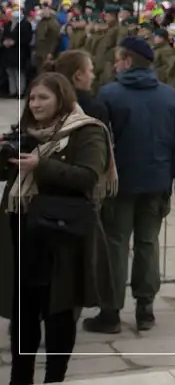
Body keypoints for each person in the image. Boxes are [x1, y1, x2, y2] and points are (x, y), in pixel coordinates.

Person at [0, 73, 115, 384]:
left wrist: (42, 165)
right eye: (32, 98)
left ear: (61, 99)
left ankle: (55, 377)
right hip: (24, 230)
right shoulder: (28, 131)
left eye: (43, 98)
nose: (35, 104)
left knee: (59, 310)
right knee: (24, 310)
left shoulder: (86, 131)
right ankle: (20, 377)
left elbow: (89, 177)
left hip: (63, 233)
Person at [85, 37, 175, 334]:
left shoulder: (110, 93)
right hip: (156, 181)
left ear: (127, 61)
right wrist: (171, 178)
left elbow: (100, 142)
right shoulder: (169, 95)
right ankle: (145, 309)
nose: (115, 65)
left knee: (115, 245)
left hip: (120, 183)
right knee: (147, 244)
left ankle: (111, 311)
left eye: (118, 59)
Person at [53, 49, 110, 127]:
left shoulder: (52, 102)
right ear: (78, 75)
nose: (93, 76)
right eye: (90, 71)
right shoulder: (94, 108)